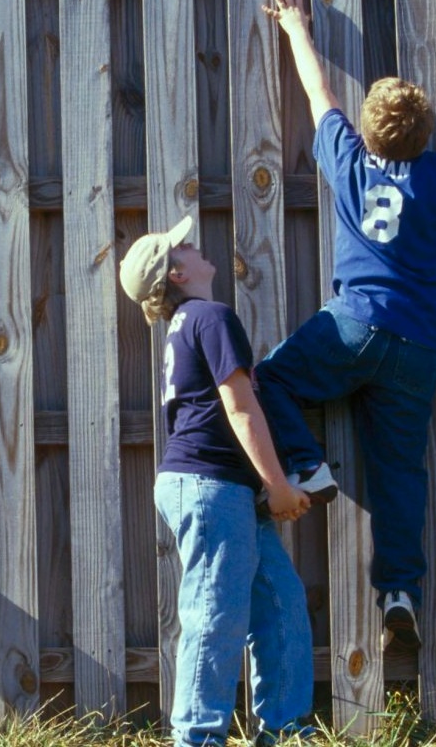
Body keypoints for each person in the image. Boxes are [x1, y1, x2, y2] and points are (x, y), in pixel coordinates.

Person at [256, 0, 436, 651]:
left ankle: (308, 465)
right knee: (399, 470)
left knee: (273, 380)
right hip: (418, 345)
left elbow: (318, 93)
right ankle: (400, 589)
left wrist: (296, 28)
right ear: (427, 136)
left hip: (355, 325)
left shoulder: (347, 157)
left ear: (370, 129)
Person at [119, 215, 318, 747]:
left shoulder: (185, 326)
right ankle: (197, 737)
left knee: (280, 602)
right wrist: (276, 484)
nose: (191, 242)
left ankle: (286, 729)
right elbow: (240, 405)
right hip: (211, 488)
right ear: (177, 274)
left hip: (216, 487)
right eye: (178, 244)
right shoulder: (211, 315)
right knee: (215, 611)